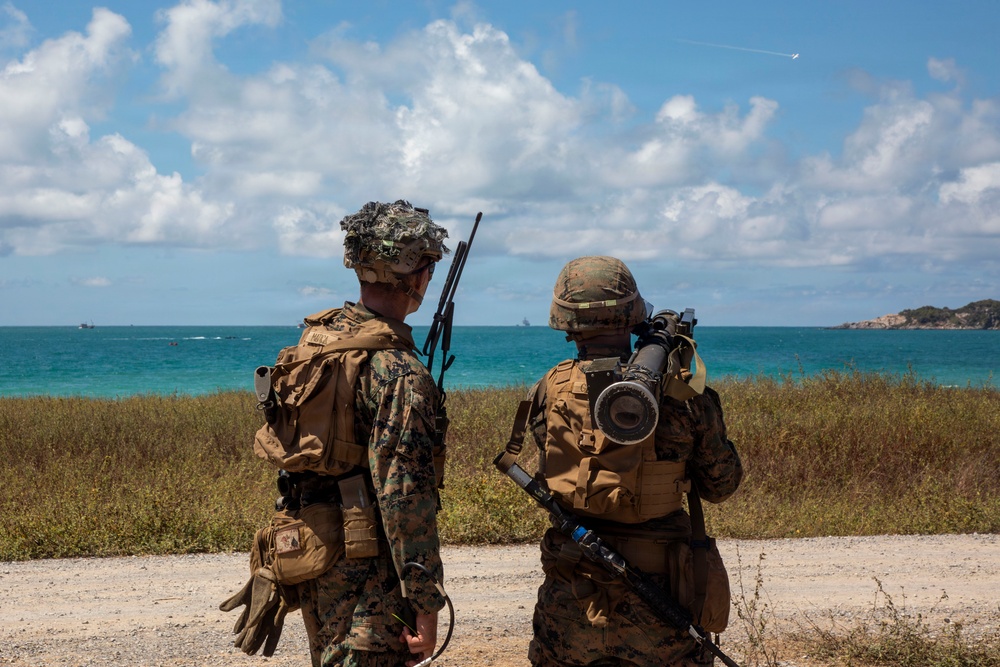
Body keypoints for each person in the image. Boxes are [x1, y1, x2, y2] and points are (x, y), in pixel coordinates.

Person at [236, 200, 450, 667]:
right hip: (367, 573)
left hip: (315, 548)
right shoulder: (398, 370)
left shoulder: (321, 339)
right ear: (416, 276)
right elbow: (404, 498)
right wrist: (426, 601)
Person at [522, 256, 743, 667]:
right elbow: (721, 486)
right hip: (661, 601)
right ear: (633, 316)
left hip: (571, 595)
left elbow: (548, 471)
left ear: (566, 324)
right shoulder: (685, 399)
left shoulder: (549, 390)